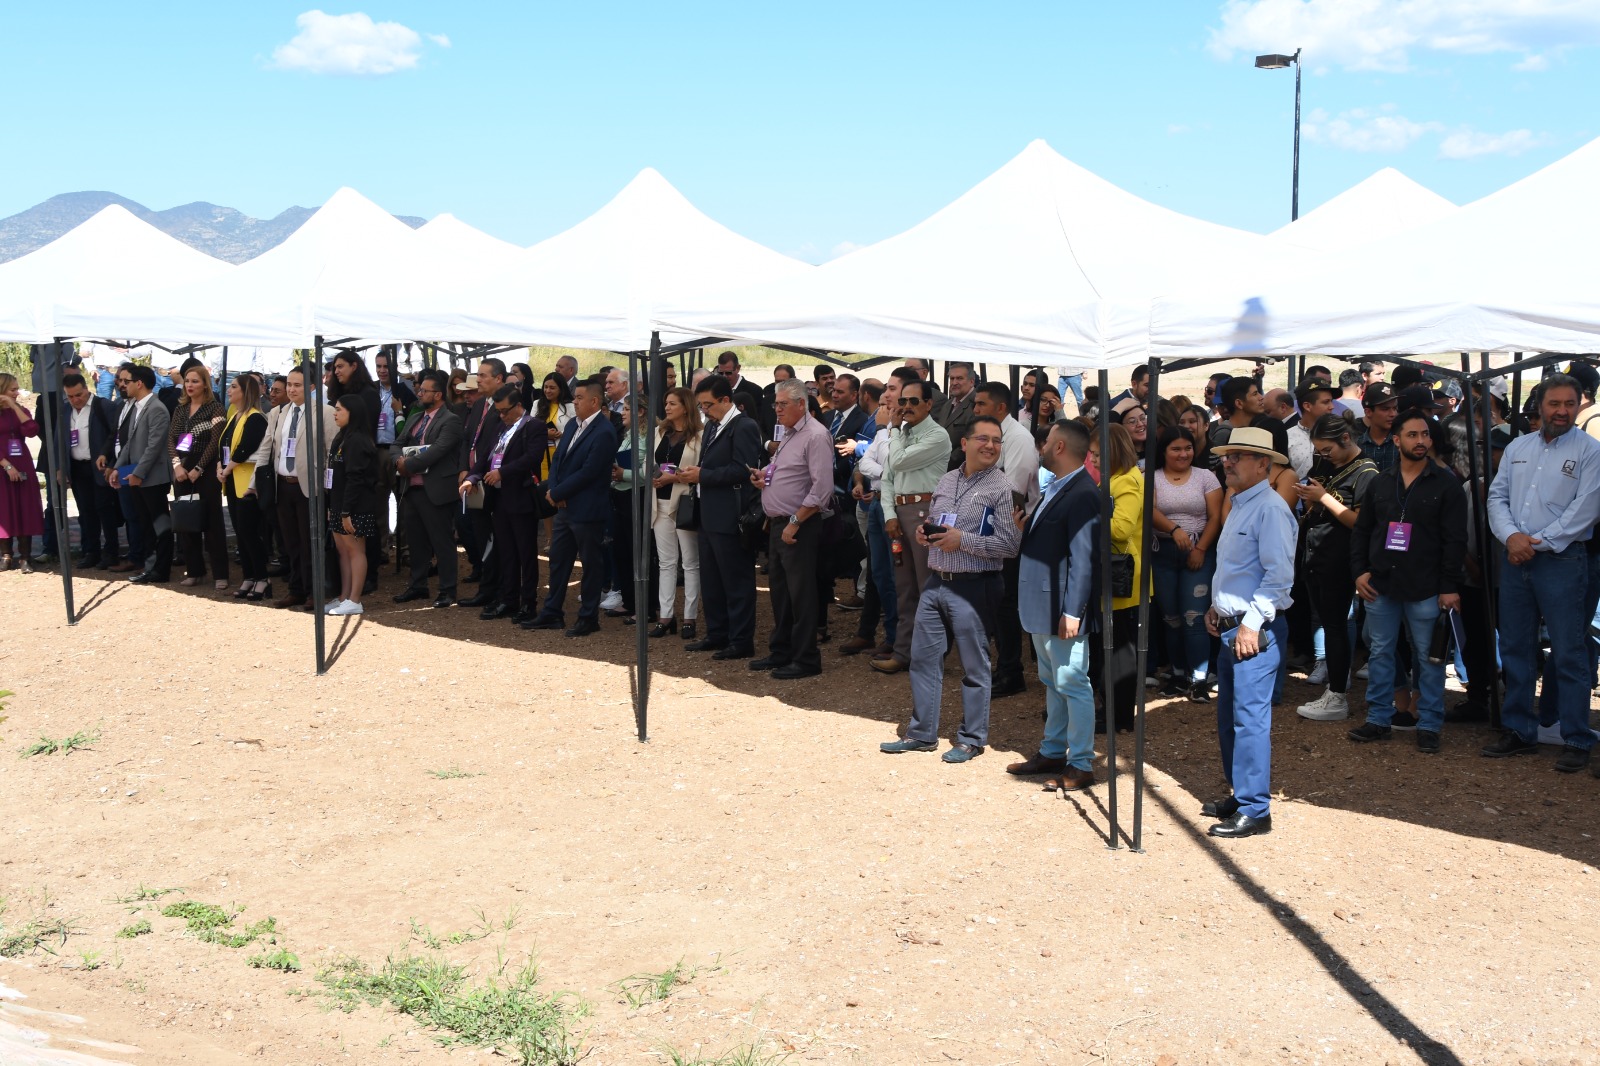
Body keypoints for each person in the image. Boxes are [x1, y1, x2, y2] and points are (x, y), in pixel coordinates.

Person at [879, 415, 1021, 762]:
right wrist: (925, 535)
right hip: (937, 582)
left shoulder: (1001, 488)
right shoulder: (946, 480)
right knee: (923, 661)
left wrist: (963, 541)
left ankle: (971, 739)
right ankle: (922, 733)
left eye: (996, 441)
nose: (990, 446)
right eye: (983, 439)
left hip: (976, 586)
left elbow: (1008, 545)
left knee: (975, 666)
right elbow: (939, 525)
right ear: (965, 444)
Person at [1484, 374, 1600, 772]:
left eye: (1570, 404)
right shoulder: (1518, 447)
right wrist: (1511, 536)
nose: (1562, 411)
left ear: (1578, 405)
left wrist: (1533, 543)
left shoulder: (1590, 452)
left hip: (1562, 561)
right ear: (1541, 405)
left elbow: (1584, 510)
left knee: (1568, 651)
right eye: (1555, 404)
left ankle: (1576, 737)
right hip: (1516, 562)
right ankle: (1520, 731)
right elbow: (1496, 497)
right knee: (1515, 647)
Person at [1342, 409, 1464, 749]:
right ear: (1397, 440)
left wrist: (1449, 587)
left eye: (1425, 435)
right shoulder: (1381, 482)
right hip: (1381, 583)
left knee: (1429, 657)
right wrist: (1359, 571)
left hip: (1427, 586)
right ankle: (1379, 719)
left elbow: (1455, 541)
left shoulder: (1446, 484)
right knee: (1379, 652)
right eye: (1413, 435)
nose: (1421, 441)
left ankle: (1429, 724)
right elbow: (1362, 531)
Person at [1202, 425, 1296, 839]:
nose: (1228, 461)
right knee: (1231, 719)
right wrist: (1217, 606)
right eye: (1227, 455)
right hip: (1232, 626)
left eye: (1237, 455)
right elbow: (1237, 569)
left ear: (1264, 464)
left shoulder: (1270, 509)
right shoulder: (1241, 503)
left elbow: (1279, 577)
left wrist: (1251, 623)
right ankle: (1243, 797)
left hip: (1251, 630)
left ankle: (1256, 809)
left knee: (1248, 721)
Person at [1008, 419, 1101, 789]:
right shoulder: (1061, 487)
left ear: (1060, 447)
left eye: (1045, 442)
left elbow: (1085, 558)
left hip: (1062, 609)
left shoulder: (1082, 492)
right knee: (1052, 680)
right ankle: (1053, 750)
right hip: (1043, 605)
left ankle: (1081, 762)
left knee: (1072, 682)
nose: (1040, 447)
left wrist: (1072, 611)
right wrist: (1025, 529)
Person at [750, 379, 834, 679]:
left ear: (802, 404)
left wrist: (795, 523)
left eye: (783, 404)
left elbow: (822, 489)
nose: (777, 409)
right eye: (776, 404)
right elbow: (786, 472)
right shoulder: (789, 433)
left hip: (798, 524)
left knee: (801, 595)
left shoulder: (816, 436)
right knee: (781, 594)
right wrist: (764, 476)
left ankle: (806, 658)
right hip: (778, 523)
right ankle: (782, 651)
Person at [523, 380, 617, 637]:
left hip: (587, 509)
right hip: (564, 507)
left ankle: (588, 617)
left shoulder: (605, 431)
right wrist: (553, 490)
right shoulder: (573, 424)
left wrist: (558, 492)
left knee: (590, 564)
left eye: (578, 397)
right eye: (574, 397)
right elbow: (558, 460)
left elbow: (590, 471)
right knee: (558, 561)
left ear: (594, 402)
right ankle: (552, 612)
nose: (573, 401)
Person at [872, 377, 951, 674]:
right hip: (900, 512)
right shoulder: (902, 433)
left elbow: (898, 462)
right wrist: (890, 514)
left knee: (928, 588)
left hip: (924, 512)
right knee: (904, 588)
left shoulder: (938, 435)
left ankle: (932, 655)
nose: (905, 407)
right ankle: (904, 652)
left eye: (912, 401)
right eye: (902, 401)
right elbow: (888, 478)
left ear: (929, 404)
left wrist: (890, 430)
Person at [683, 374, 764, 659]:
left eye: (708, 404)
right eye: (701, 405)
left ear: (726, 400)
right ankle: (717, 633)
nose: (704, 410)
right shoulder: (712, 426)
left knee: (736, 579)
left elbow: (742, 469)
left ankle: (741, 640)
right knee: (712, 578)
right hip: (708, 512)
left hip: (730, 513)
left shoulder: (744, 426)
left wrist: (703, 475)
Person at [969, 381, 1037, 697]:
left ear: (1000, 408)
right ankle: (1003, 667)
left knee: (1006, 602)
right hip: (989, 526)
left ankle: (1012, 672)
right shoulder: (990, 437)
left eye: (980, 404)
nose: (975, 409)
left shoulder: (1019, 438)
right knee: (995, 601)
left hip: (1013, 528)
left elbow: (1014, 492)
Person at [1150, 426, 1223, 701]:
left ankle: (1200, 679)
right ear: (1164, 451)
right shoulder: (1153, 478)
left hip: (1198, 551)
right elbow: (1150, 509)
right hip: (1164, 552)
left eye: (1188, 448)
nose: (1183, 454)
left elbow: (1215, 516)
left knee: (1194, 616)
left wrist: (1201, 548)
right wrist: (1174, 529)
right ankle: (1179, 674)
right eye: (1176, 449)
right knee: (1171, 618)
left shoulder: (1206, 477)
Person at [1086, 423, 1145, 733]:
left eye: (1097, 454)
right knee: (1112, 646)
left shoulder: (1126, 483)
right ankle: (1111, 711)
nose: (1092, 460)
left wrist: (1085, 518)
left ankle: (1118, 715)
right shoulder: (1116, 479)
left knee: (1119, 649)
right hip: (1114, 573)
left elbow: (1120, 529)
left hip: (1121, 575)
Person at [393, 370, 465, 608]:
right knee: (416, 542)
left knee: (442, 542)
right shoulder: (415, 417)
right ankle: (418, 586)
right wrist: (397, 461)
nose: (419, 393)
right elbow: (397, 443)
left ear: (438, 394)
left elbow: (438, 450)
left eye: (424, 390)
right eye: (419, 389)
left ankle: (447, 590)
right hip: (411, 489)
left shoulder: (451, 420)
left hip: (435, 490)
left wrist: (408, 465)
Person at [109, 365, 174, 584]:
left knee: (159, 525)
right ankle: (150, 567)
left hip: (152, 477)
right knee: (145, 524)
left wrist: (137, 473)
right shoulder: (138, 407)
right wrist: (118, 468)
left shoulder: (156, 408)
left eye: (126, 381)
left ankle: (160, 569)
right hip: (138, 475)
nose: (121, 384)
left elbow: (154, 447)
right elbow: (129, 444)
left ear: (139, 383)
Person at [168, 364, 230, 590]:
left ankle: (220, 574)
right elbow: (171, 439)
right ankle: (195, 571)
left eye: (195, 381)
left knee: (212, 523)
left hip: (205, 471)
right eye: (187, 381)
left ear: (205, 383)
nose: (190, 385)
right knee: (186, 520)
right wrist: (177, 466)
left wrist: (199, 469)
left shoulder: (215, 408)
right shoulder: (181, 409)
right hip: (182, 470)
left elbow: (215, 442)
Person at [650, 387, 703, 638]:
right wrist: (654, 476)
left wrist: (674, 478)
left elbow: (700, 471)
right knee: (666, 562)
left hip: (684, 504)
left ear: (686, 407)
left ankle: (690, 617)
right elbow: (649, 462)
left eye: (672, 404)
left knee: (690, 563)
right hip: (658, 502)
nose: (667, 408)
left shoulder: (699, 435)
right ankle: (666, 615)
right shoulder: (661, 431)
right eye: (666, 403)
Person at [217, 373, 272, 601]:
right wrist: (220, 467)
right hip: (231, 482)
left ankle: (262, 578)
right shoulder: (235, 416)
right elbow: (226, 446)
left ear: (245, 391)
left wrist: (227, 468)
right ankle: (249, 576)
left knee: (250, 533)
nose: (228, 391)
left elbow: (245, 448)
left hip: (248, 485)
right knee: (241, 533)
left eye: (233, 387)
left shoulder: (256, 418)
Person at [326, 395, 379, 616]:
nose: (335, 413)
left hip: (355, 507)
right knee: (343, 551)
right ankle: (344, 597)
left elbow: (355, 478)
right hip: (339, 504)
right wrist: (333, 507)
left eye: (339, 410)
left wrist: (346, 511)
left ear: (353, 412)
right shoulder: (342, 437)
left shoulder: (357, 440)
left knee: (355, 550)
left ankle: (355, 599)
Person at [61, 372, 121, 569]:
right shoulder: (65, 410)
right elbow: (58, 440)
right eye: (70, 396)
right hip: (78, 468)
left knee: (105, 510)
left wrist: (111, 463)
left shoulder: (103, 407)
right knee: (86, 512)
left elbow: (115, 436)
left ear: (86, 389)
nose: (75, 400)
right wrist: (60, 468)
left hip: (100, 468)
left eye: (78, 395)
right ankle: (91, 551)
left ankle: (111, 552)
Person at [0, 374, 43, 571]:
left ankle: (25, 557)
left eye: (17, 389)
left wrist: (15, 406)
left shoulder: (21, 410)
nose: (17, 393)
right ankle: (6, 555)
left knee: (25, 506)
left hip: (22, 462)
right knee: (4, 509)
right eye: (12, 390)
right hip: (3, 464)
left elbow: (31, 430)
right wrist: (7, 466)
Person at [534, 373, 575, 480]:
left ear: (561, 389)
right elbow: (531, 428)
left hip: (562, 451)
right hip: (541, 452)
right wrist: (545, 434)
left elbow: (576, 429)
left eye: (552, 388)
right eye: (546, 387)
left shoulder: (571, 406)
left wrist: (562, 434)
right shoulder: (537, 404)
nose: (547, 390)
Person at [937, 362, 978, 466]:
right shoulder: (947, 404)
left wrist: (943, 462)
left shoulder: (977, 404)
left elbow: (971, 442)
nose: (954, 382)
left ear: (971, 382)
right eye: (952, 378)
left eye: (959, 378)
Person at [1356, 382, 1400, 473]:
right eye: (1385, 409)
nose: (1393, 414)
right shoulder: (1357, 445)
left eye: (1395, 408)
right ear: (1368, 412)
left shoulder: (1402, 443)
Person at [715, 352, 765, 418]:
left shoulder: (754, 391)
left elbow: (757, 419)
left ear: (738, 368)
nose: (724, 376)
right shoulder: (716, 390)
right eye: (721, 373)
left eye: (728, 373)